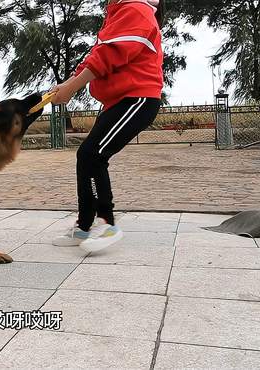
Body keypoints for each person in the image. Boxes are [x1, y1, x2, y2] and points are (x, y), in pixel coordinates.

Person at [51, 0, 164, 252]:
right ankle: (84, 227)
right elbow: (94, 57)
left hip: (137, 99)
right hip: (118, 101)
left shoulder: (136, 9)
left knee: (93, 155)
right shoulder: (117, 12)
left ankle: (107, 223)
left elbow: (108, 56)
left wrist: (71, 87)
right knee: (86, 156)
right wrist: (66, 83)